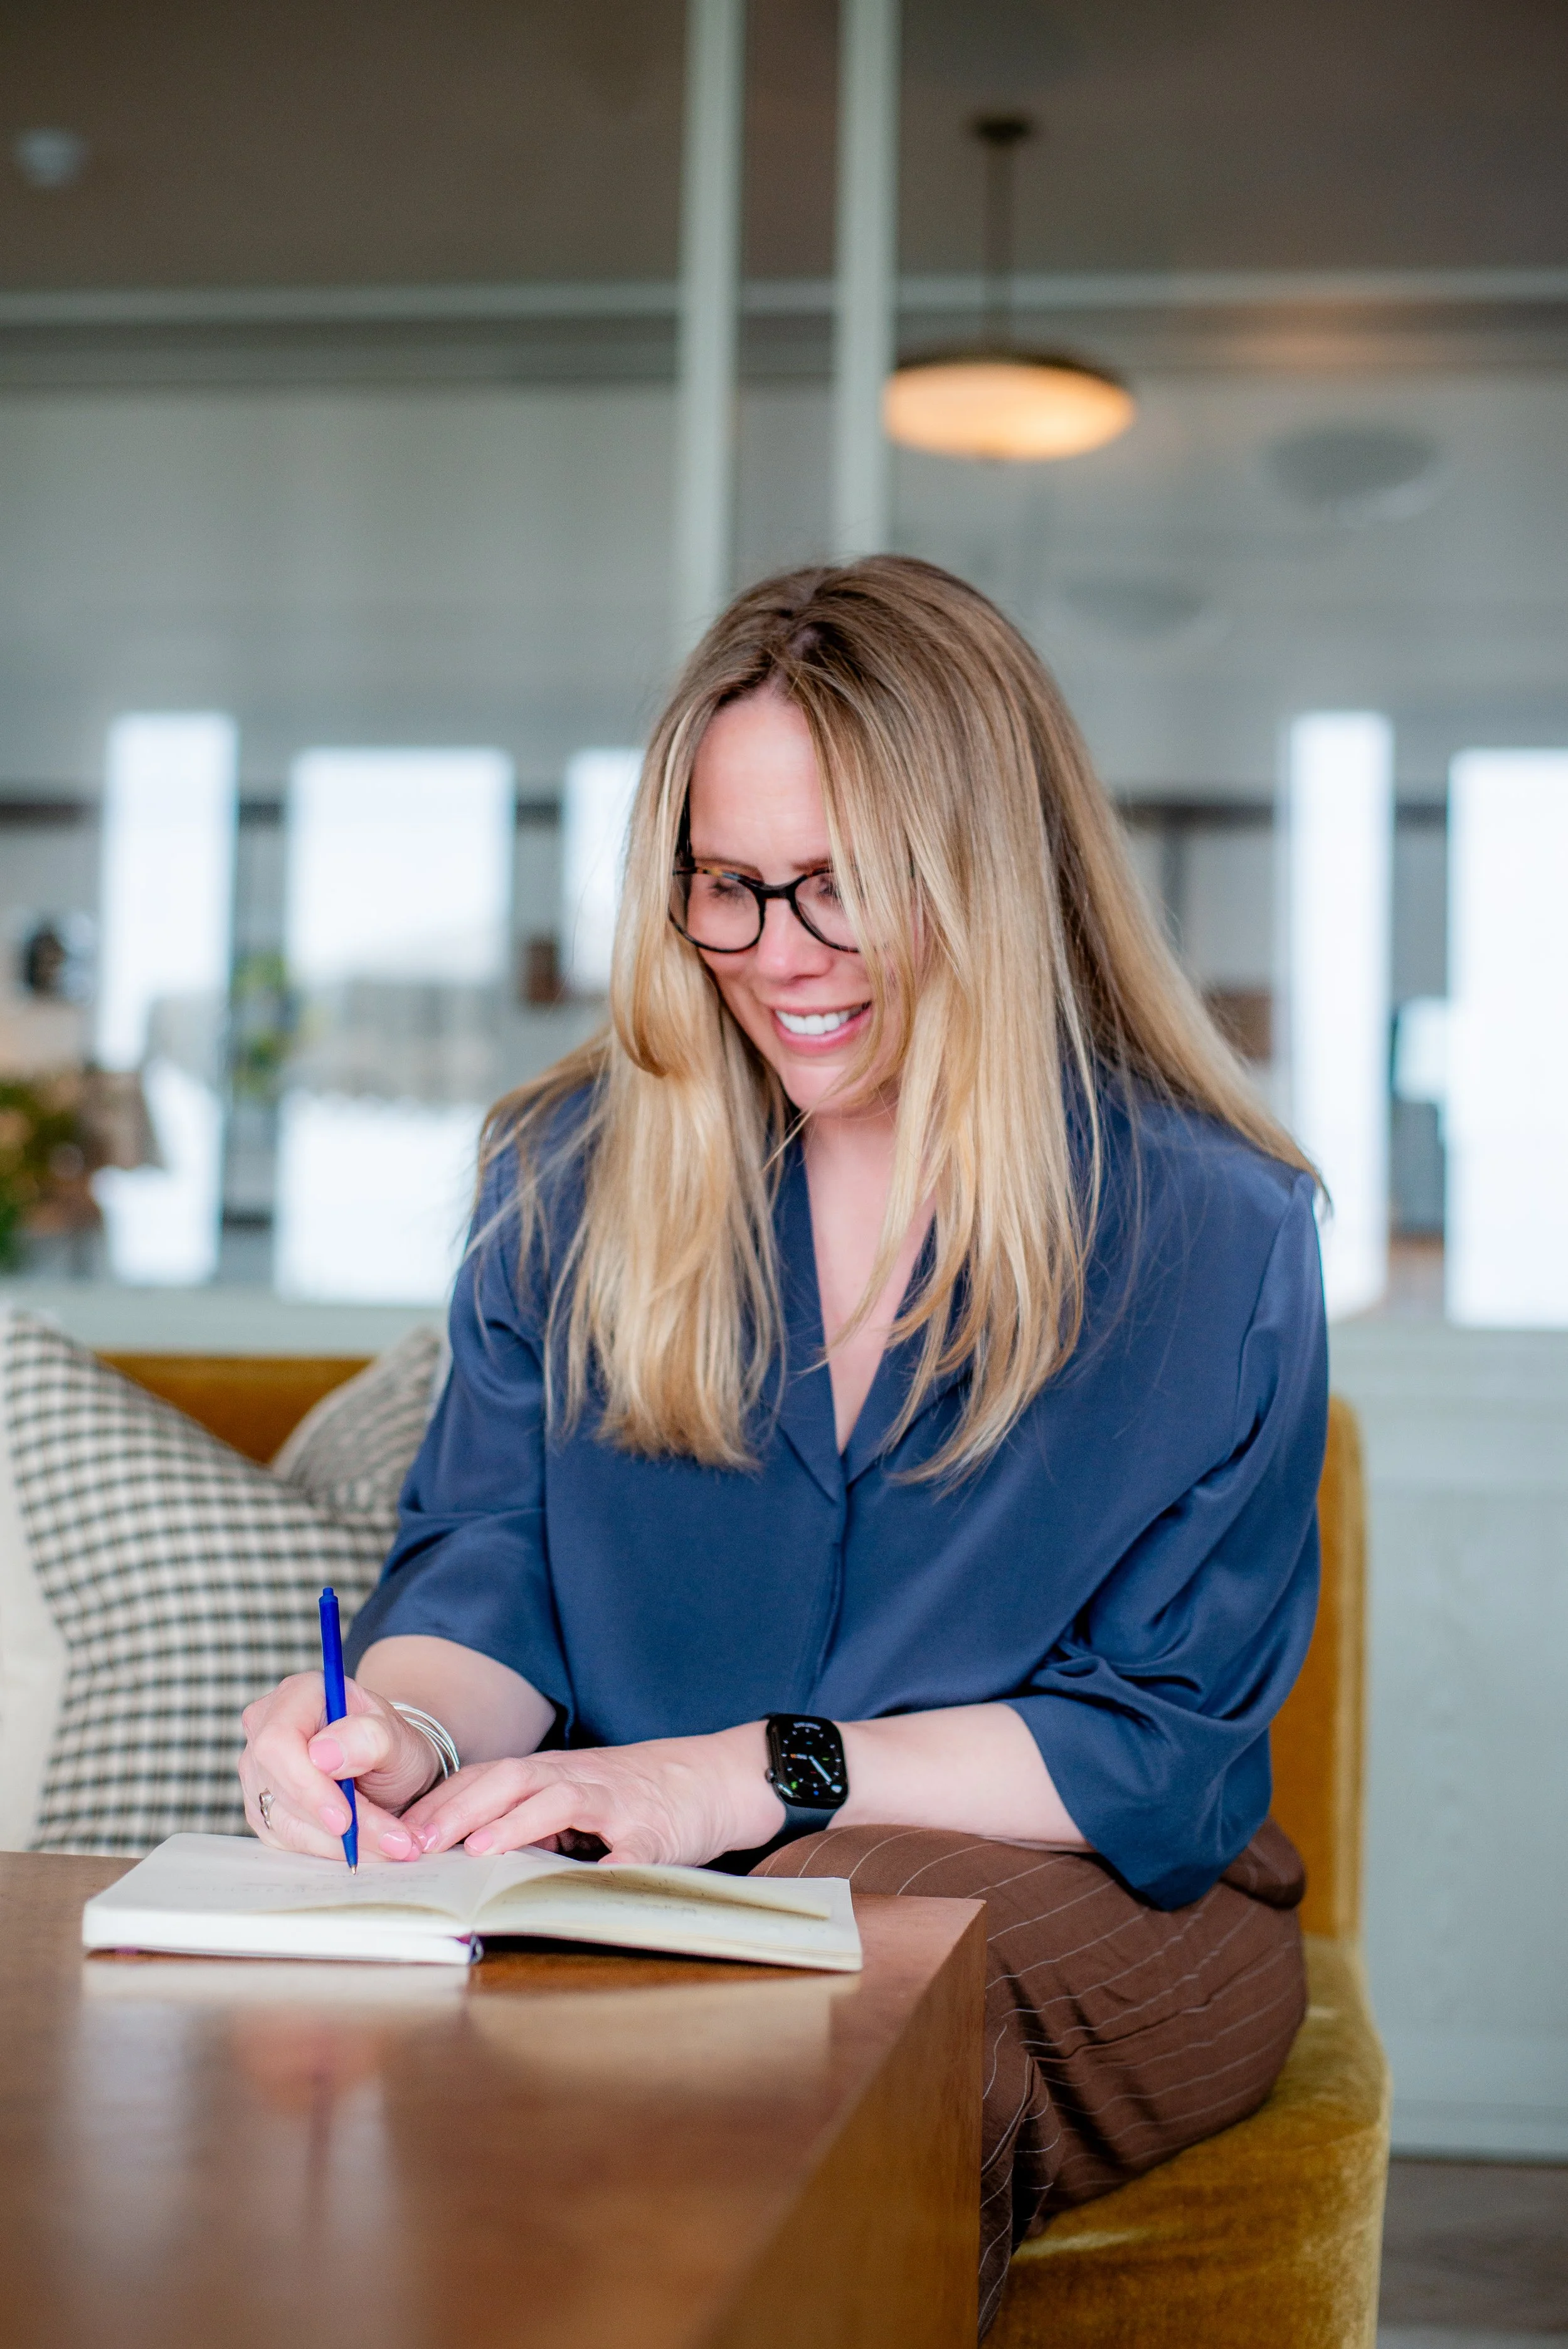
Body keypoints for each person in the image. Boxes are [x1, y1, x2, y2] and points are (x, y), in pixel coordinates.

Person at [239, 556, 1327, 2333]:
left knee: (815, 1992)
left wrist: (738, 1775)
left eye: (843, 892)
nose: (779, 960)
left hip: (1086, 1908)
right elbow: (488, 1579)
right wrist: (407, 1733)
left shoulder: (1213, 1229)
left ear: (989, 875)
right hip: (627, 1881)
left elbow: (1153, 1751)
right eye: (727, 891)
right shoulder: (565, 1176)